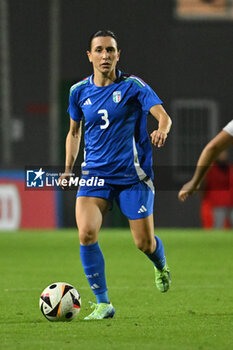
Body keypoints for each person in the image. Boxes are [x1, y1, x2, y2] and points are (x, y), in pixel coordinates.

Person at [60, 30, 172, 320]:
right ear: (89, 55)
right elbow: (74, 133)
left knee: (143, 244)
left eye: (110, 50)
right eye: (99, 50)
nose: (105, 55)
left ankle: (160, 264)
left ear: (118, 54)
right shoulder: (78, 92)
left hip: (132, 177)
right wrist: (68, 170)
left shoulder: (133, 86)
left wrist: (162, 128)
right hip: (95, 174)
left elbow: (163, 115)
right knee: (86, 233)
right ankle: (103, 303)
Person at [178, 120, 233, 202]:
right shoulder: (213, 170)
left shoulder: (229, 169)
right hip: (215, 206)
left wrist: (194, 182)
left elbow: (212, 147)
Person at [200, 150, 233, 229]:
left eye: (224, 153)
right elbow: (205, 184)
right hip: (217, 202)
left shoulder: (230, 168)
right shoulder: (211, 169)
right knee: (218, 224)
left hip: (230, 201)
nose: (223, 155)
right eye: (221, 153)